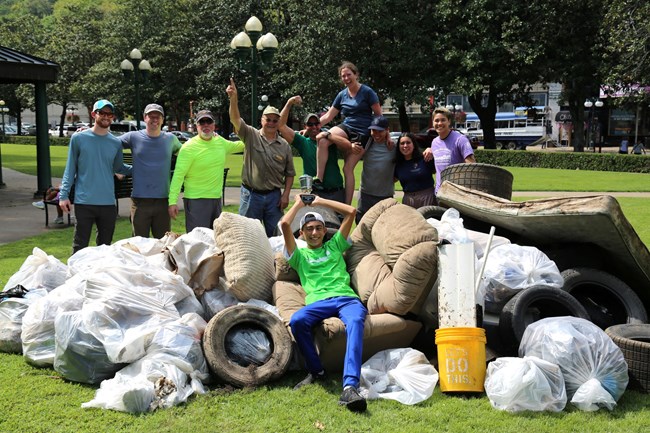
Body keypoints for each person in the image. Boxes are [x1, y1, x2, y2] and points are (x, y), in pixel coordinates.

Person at [280, 194, 367, 413]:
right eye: (309, 229)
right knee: (298, 320)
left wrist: (319, 201)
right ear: (302, 233)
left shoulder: (335, 245)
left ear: (325, 231)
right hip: (318, 303)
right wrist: (300, 203)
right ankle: (316, 372)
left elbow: (351, 212)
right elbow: (283, 224)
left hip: (346, 299)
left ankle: (350, 386)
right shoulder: (298, 255)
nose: (315, 232)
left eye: (319, 228)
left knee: (356, 322)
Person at [59, 99, 131, 254]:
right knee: (80, 247)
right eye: (102, 113)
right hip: (84, 202)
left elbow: (119, 168)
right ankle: (75, 277)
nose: (106, 117)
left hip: (108, 203)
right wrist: (63, 195)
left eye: (109, 114)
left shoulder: (115, 143)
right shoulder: (78, 139)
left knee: (105, 249)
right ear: (94, 114)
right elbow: (70, 169)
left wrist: (143, 167)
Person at [226, 78, 296, 236]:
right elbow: (235, 119)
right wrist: (233, 99)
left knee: (276, 236)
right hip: (251, 195)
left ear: (278, 122)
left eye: (274, 120)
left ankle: (273, 262)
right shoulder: (251, 135)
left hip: (274, 198)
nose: (271, 123)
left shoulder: (284, 145)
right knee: (247, 236)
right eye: (268, 119)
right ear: (261, 120)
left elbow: (290, 174)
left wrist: (285, 195)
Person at [315, 61, 383, 204]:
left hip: (362, 132)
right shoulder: (341, 95)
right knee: (322, 139)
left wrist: (383, 133)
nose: (346, 78)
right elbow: (328, 116)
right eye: (343, 76)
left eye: (348, 75)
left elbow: (378, 115)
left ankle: (347, 205)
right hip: (346, 127)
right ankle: (319, 179)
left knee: (347, 168)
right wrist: (312, 127)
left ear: (356, 75)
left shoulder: (367, 92)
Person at [168, 109, 245, 233]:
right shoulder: (188, 147)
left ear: (214, 125)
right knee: (198, 241)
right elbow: (178, 176)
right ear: (196, 126)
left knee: (215, 240)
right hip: (195, 201)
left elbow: (242, 145)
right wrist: (172, 201)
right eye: (201, 122)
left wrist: (259, 134)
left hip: (216, 199)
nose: (205, 125)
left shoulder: (220, 142)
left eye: (208, 122)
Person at [120, 104, 182, 238]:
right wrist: (119, 168)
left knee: (162, 244)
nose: (154, 119)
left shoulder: (171, 139)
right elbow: (109, 145)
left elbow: (186, 153)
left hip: (163, 201)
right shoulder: (133, 137)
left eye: (158, 116)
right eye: (151, 116)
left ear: (162, 119)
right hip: (140, 201)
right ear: (144, 118)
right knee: (139, 245)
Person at [278, 95, 345, 203]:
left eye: (316, 123)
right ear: (305, 126)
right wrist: (289, 103)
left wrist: (329, 136)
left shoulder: (330, 139)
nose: (314, 126)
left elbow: (348, 146)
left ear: (320, 124)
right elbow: (280, 125)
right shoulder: (302, 142)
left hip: (336, 192)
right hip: (315, 193)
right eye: (310, 124)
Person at [355, 115, 396, 224]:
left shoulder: (394, 146)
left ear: (387, 130)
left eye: (380, 131)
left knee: (384, 226)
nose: (376, 134)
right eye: (374, 130)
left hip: (385, 196)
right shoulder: (367, 142)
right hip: (365, 194)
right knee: (361, 224)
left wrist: (429, 149)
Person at [429, 107, 476, 194]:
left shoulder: (460, 139)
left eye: (443, 120)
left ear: (449, 121)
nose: (439, 123)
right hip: (439, 193)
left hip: (456, 194)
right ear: (433, 122)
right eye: (436, 120)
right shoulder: (434, 142)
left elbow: (472, 166)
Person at [394, 132, 437, 208]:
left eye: (408, 143)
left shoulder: (425, 158)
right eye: (402, 143)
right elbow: (393, 179)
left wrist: (431, 149)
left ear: (413, 144)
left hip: (428, 199)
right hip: (408, 201)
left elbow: (438, 170)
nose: (405, 146)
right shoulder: (398, 164)